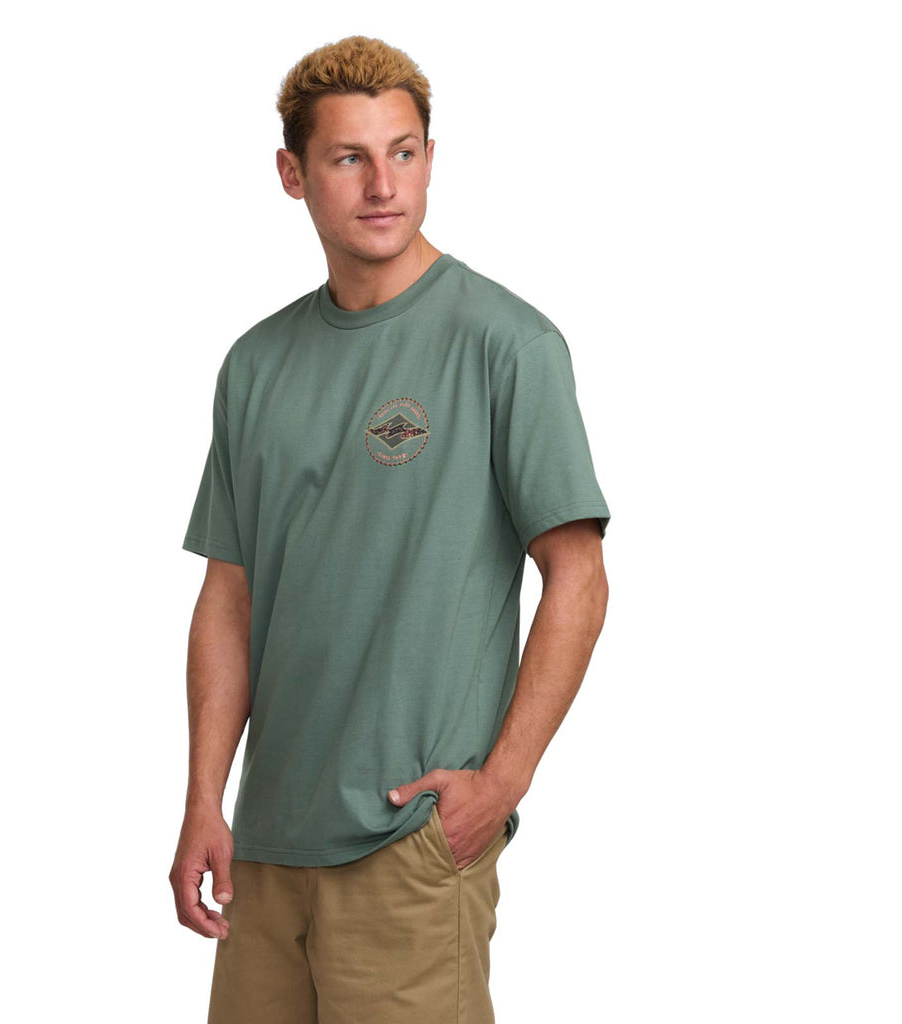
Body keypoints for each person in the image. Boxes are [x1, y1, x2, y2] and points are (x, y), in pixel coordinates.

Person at [169, 35, 611, 1024]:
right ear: (292, 174)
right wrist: (205, 799)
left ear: (430, 158)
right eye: (349, 157)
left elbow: (578, 577)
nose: (383, 184)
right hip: (265, 850)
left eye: (403, 152)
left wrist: (500, 783)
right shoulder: (256, 364)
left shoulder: (508, 345)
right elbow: (228, 597)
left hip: (407, 845)